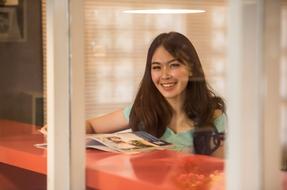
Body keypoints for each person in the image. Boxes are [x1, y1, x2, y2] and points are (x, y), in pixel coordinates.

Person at [85, 31, 226, 157]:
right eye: (157, 67)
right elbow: (90, 126)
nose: (164, 75)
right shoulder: (143, 110)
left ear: (191, 69)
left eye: (174, 65)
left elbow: (220, 173)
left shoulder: (213, 115)